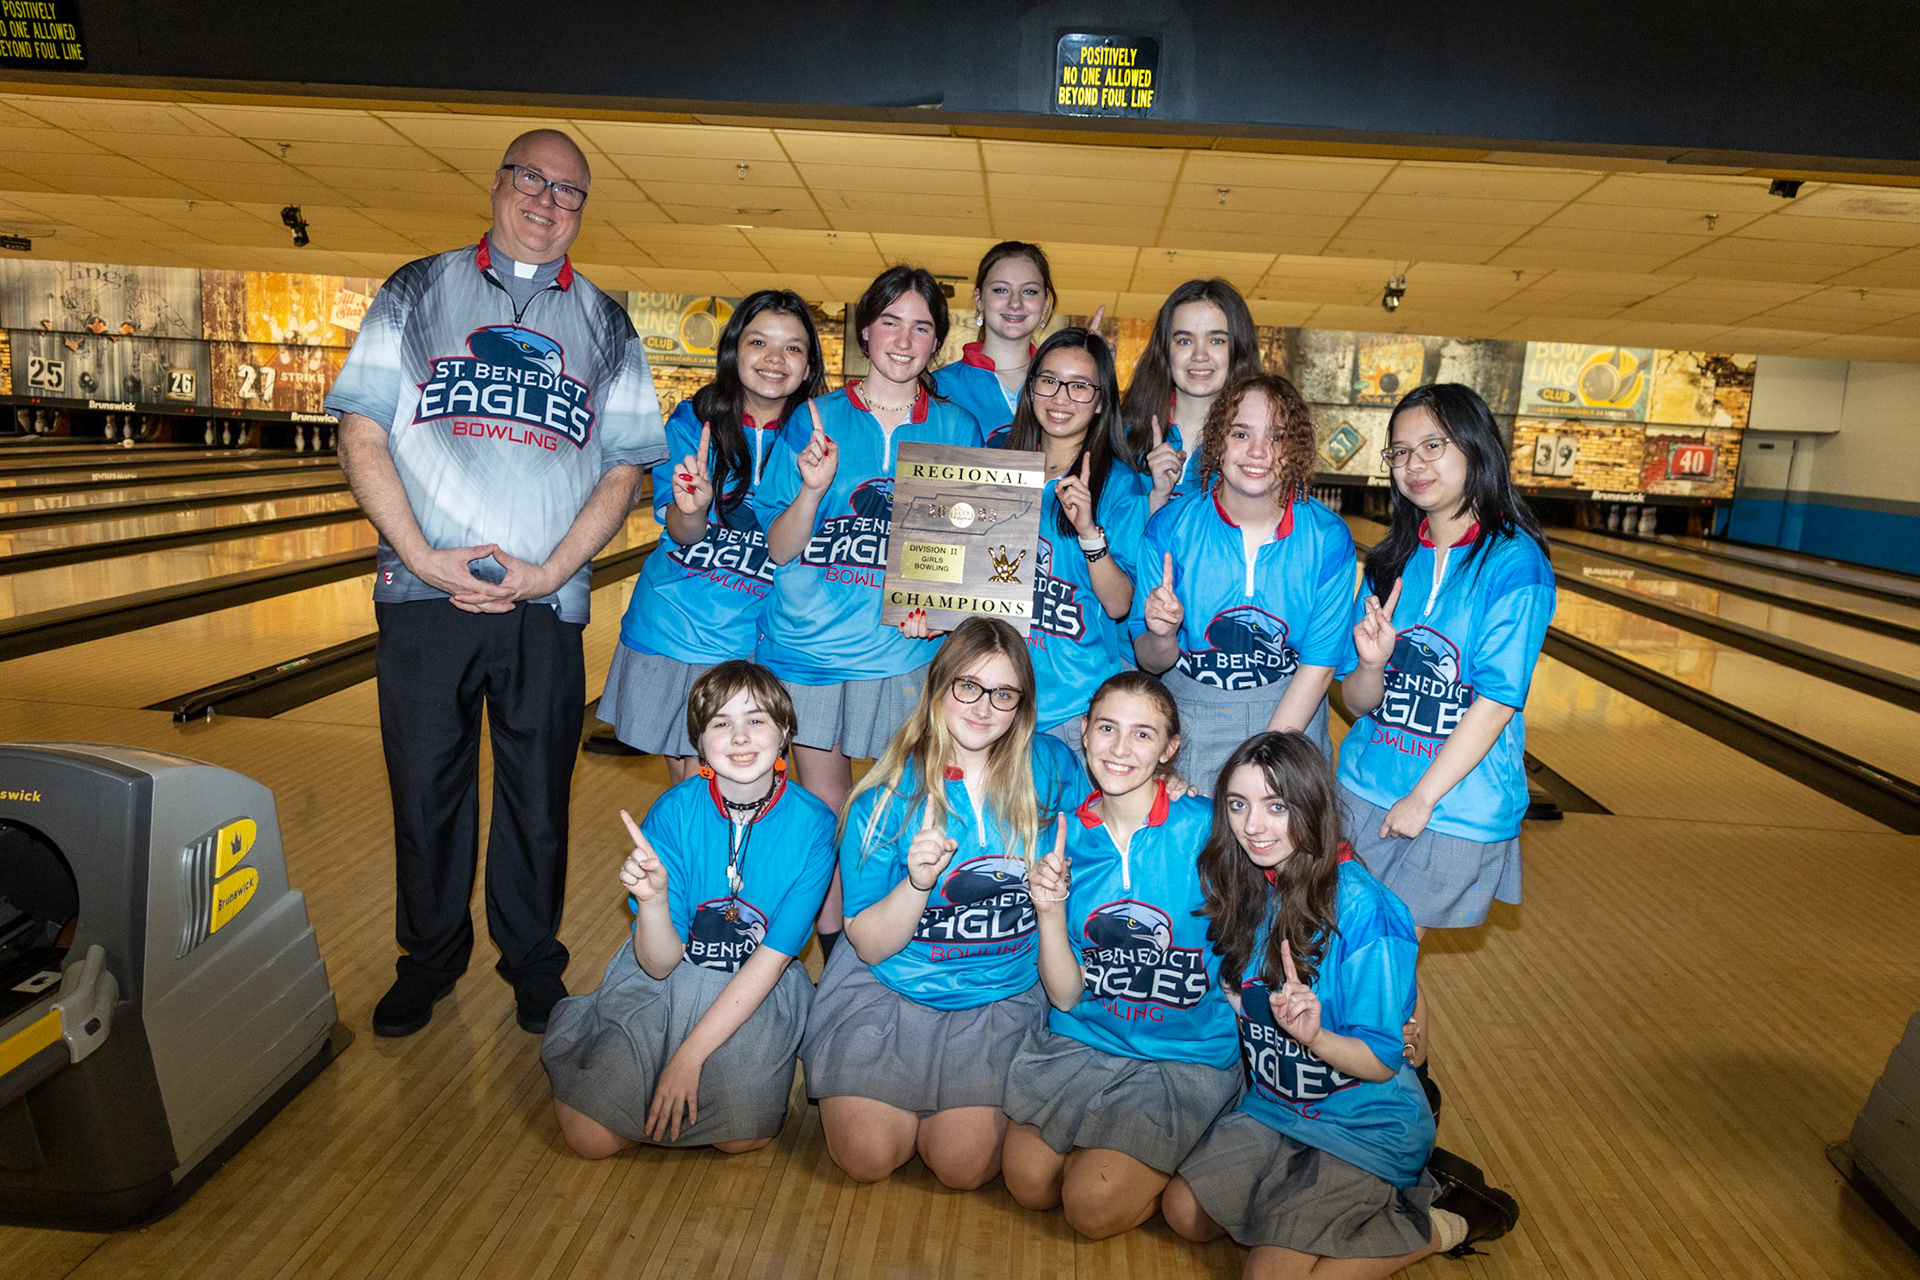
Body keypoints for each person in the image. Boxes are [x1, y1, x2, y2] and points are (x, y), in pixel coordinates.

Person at [327, 128, 666, 1038]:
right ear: (498, 184)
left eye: (570, 193)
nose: (548, 202)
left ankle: (532, 966)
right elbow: (361, 430)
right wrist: (421, 555)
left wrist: (551, 571)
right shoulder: (415, 290)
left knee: (537, 800)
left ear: (581, 212)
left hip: (544, 607)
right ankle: (428, 962)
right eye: (533, 181)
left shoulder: (605, 322)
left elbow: (625, 468)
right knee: (425, 790)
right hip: (422, 596)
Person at [1161, 731, 1514, 1277]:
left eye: (1276, 806)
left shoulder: (1367, 911)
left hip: (1363, 1126)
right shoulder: (1246, 883)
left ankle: (1445, 1220)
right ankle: (1312, 1217)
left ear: (1312, 807)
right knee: (1184, 1213)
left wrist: (1316, 1037)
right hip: (1277, 1108)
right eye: (1238, 804)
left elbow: (1379, 1062)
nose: (1253, 826)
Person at [800, 617, 1078, 1190]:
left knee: (962, 1166)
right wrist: (918, 883)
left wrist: (1168, 782)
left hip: (998, 996)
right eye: (967, 687)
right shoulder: (885, 797)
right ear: (938, 687)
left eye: (1003, 694)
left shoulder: (1050, 770)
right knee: (868, 1157)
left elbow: (1118, 807)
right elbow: (871, 943)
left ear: (1022, 704)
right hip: (890, 986)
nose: (983, 707)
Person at [1334, 382, 1556, 1098]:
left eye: (1433, 446)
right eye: (1401, 451)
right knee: (1363, 956)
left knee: (1385, 960)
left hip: (1449, 806)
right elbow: (1359, 702)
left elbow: (1496, 702)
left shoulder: (1513, 564)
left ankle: (1408, 1109)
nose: (1414, 464)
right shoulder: (1395, 556)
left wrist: (1423, 797)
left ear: (1475, 448)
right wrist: (1369, 663)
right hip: (1367, 786)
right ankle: (1384, 1106)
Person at [755, 265, 985, 954]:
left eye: (921, 326)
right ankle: (832, 951)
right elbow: (779, 545)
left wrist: (941, 613)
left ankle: (884, 940)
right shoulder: (816, 416)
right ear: (865, 331)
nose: (904, 338)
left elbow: (967, 551)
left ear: (937, 341)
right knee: (826, 812)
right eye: (891, 321)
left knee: (890, 810)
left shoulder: (954, 424)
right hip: (810, 650)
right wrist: (810, 489)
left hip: (902, 655)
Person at [540, 662, 836, 1156]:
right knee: (592, 1140)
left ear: (786, 731)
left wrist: (688, 1058)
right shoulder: (674, 811)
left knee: (742, 1138)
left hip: (755, 985)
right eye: (720, 723)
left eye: (757, 719)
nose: (740, 736)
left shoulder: (815, 825)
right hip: (669, 977)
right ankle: (585, 1025)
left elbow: (773, 958)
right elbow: (658, 962)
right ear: (700, 742)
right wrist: (653, 902)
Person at [1001, 672, 1240, 1240]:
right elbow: (1064, 995)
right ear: (1082, 733)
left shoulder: (1212, 830)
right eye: (1107, 728)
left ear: (1169, 749)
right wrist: (1051, 911)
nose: (1120, 748)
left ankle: (1195, 1144)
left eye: (1142, 734)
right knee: (1028, 1184)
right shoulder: (1059, 839)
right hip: (1086, 1041)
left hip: (1182, 1056)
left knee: (1090, 1208)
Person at [600, 290, 826, 783]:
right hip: (674, 629)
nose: (773, 359)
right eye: (758, 342)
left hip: (757, 639)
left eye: (792, 348)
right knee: (697, 786)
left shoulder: (819, 437)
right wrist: (693, 507)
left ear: (809, 366)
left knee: (755, 789)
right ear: (734, 350)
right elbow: (682, 533)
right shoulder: (693, 419)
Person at [1130, 374, 1355, 794]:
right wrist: (1163, 635)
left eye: (1278, 437)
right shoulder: (1170, 528)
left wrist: (1264, 765)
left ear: (1297, 449)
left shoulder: (1328, 538)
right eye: (1240, 433)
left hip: (1291, 723)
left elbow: (1318, 668)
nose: (1258, 452)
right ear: (1217, 441)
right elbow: (1152, 659)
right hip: (1189, 724)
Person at [993, 327, 1146, 752]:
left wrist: (1088, 532)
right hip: (994, 698)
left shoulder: (1121, 487)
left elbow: (1119, 604)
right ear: (1031, 388)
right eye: (1049, 381)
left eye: (1080, 387)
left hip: (1073, 708)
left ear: (1100, 402)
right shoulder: (995, 464)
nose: (1061, 398)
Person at [1117, 278, 1261, 513]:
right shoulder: (1124, 436)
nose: (1199, 355)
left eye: (1216, 340)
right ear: (1165, 350)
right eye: (1184, 341)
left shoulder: (1259, 449)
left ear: (1238, 350)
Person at [933, 241, 1054, 435]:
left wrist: (1098, 371)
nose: (1015, 303)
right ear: (979, 299)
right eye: (1001, 290)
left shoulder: (1063, 385)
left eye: (1029, 291)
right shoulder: (938, 387)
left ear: (1045, 303)